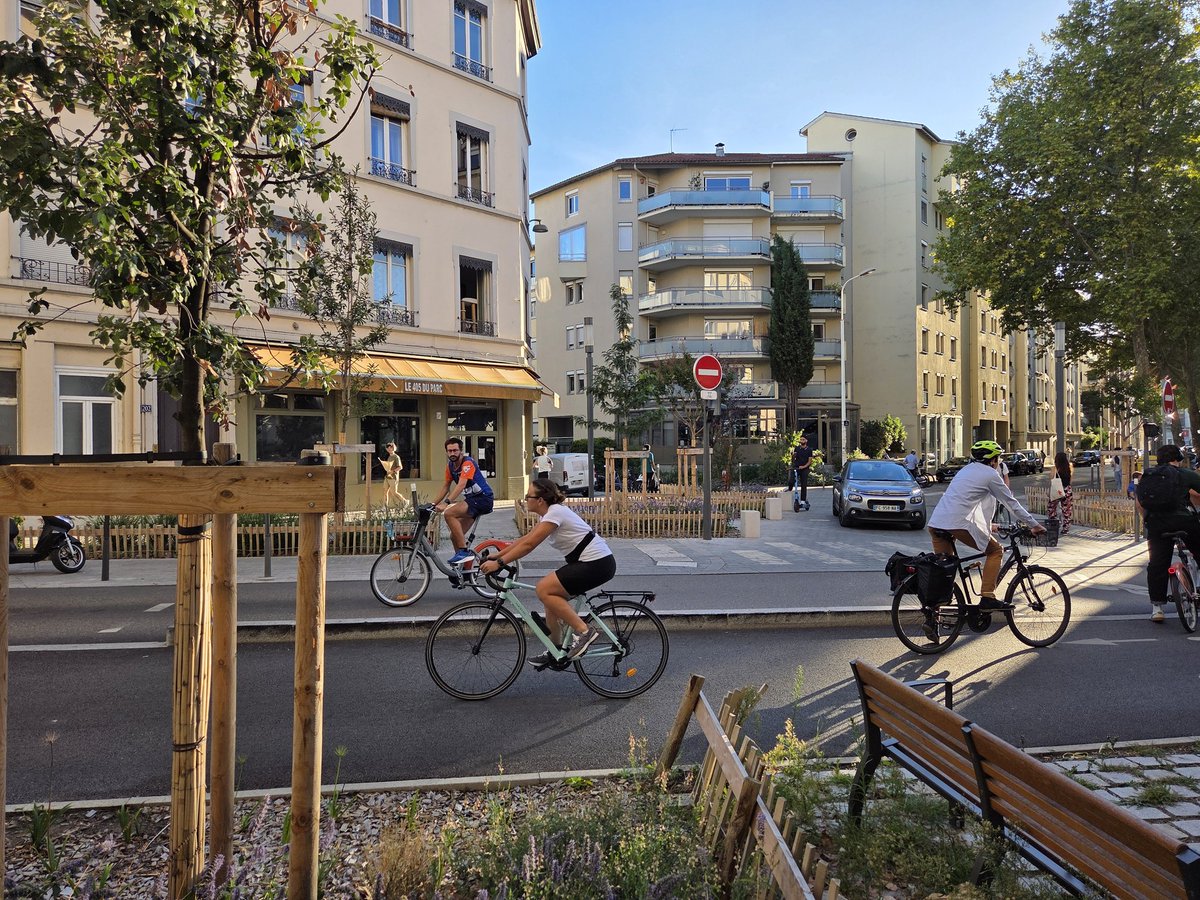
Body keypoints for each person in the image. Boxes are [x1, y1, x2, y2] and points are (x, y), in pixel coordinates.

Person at [481, 479, 615, 666]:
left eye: (529, 496)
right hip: (589, 563)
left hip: (597, 563)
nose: (526, 499)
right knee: (550, 601)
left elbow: (529, 545)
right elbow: (526, 539)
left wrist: (500, 563)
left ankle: (585, 631)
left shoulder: (555, 513)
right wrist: (498, 556)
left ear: (541, 500)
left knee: (544, 589)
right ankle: (557, 651)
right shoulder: (549, 515)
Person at [927, 439, 1046, 609]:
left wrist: (989, 526)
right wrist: (1034, 524)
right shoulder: (990, 474)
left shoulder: (965, 470)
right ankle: (987, 597)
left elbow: (969, 503)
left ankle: (933, 615)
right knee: (996, 550)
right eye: (998, 459)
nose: (999, 463)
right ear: (992, 460)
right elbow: (1011, 503)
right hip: (957, 524)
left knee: (945, 570)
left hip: (937, 523)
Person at [1134, 444, 1200, 624]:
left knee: (1157, 564)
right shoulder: (1185, 474)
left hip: (1157, 525)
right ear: (1177, 459)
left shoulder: (1147, 476)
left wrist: (1149, 522)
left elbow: (1140, 503)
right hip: (1183, 522)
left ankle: (1157, 608)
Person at [432, 437, 494, 565]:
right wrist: (433, 504)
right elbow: (446, 486)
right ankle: (463, 570)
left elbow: (461, 485)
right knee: (454, 535)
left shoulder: (467, 463)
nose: (452, 453)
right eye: (449, 451)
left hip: (483, 499)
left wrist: (447, 503)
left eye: (455, 450)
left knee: (449, 513)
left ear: (461, 451)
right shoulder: (450, 466)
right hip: (473, 501)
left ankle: (463, 552)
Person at [1046, 450, 1074, 534]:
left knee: (1051, 507)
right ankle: (1066, 528)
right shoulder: (1070, 466)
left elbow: (1051, 478)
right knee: (1067, 510)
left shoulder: (1055, 468)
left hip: (1057, 489)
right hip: (1067, 489)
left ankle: (1053, 525)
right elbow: (1071, 480)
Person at [790, 435, 813, 509]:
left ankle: (803, 500)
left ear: (806, 441)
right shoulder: (797, 448)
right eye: (801, 439)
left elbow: (809, 461)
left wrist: (804, 467)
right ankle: (790, 488)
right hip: (797, 467)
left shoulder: (809, 450)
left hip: (805, 468)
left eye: (803, 439)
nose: (801, 441)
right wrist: (793, 455)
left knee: (804, 484)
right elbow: (793, 458)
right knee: (792, 479)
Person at [379, 441, 403, 507]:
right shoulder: (389, 457)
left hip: (393, 477)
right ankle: (385, 507)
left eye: (391, 448)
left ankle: (404, 501)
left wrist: (392, 471)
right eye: (388, 448)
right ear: (387, 449)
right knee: (385, 491)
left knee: (394, 492)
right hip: (387, 477)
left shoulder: (396, 457)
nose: (389, 449)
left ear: (394, 448)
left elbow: (400, 467)